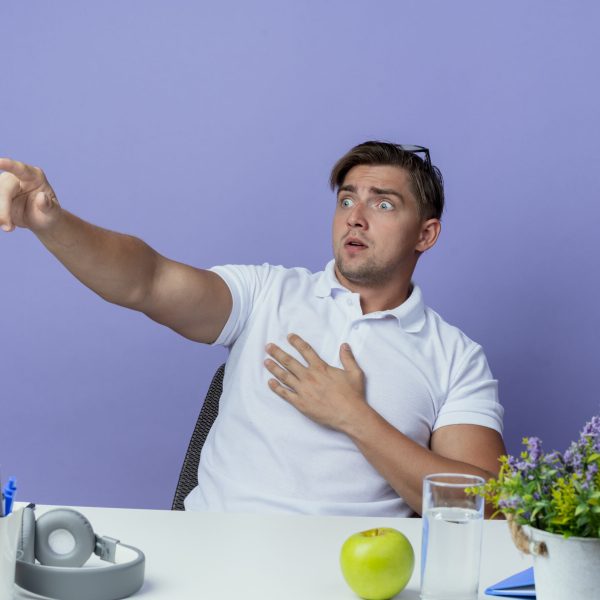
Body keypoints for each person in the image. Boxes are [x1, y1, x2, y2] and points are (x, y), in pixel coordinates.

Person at [0, 141, 505, 517]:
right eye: (347, 200)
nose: (356, 218)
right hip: (211, 561)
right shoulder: (267, 292)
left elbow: (489, 504)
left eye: (383, 204)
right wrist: (51, 221)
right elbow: (146, 281)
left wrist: (354, 417)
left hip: (356, 579)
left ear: (427, 234)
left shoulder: (456, 356)